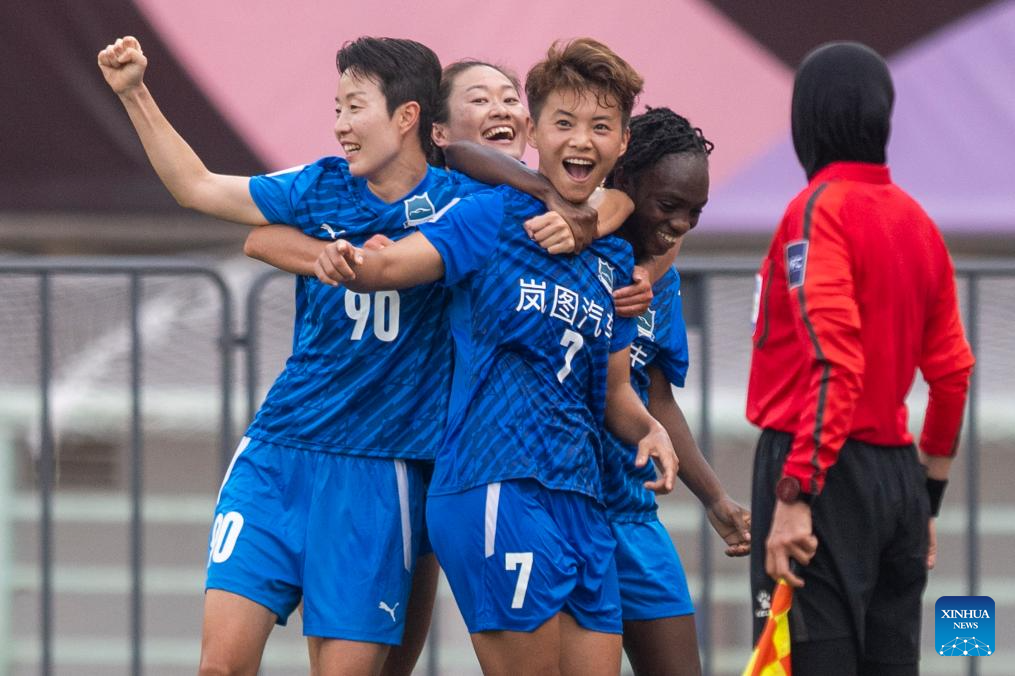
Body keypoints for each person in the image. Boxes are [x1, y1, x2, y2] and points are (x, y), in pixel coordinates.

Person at [96, 34, 494, 676]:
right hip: (279, 450)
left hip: (380, 471)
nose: (340, 126)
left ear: (407, 116)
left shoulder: (465, 204)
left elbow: (569, 206)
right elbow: (198, 188)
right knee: (219, 667)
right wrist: (134, 92)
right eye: (336, 109)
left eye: (354, 108)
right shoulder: (322, 184)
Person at [313, 38, 679, 676]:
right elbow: (393, 264)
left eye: (601, 127)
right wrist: (354, 262)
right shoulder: (492, 213)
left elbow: (616, 392)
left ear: (622, 142)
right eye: (564, 123)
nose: (581, 141)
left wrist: (650, 429)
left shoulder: (615, 256)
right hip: (497, 484)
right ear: (537, 132)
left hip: (582, 497)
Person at [747, 41, 974, 675]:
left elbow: (834, 361)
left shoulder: (816, 211)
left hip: (819, 470)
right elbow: (953, 374)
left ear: (807, 119)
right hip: (897, 480)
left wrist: (796, 490)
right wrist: (926, 501)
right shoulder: (918, 222)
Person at [601, 107, 750, 675]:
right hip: (563, 508)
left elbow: (656, 397)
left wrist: (714, 497)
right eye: (669, 205)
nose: (683, 224)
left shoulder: (661, 280)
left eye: (696, 211)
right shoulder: (569, 252)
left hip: (632, 511)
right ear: (625, 179)